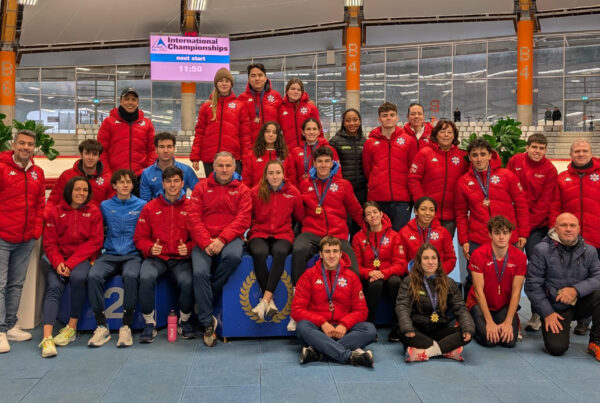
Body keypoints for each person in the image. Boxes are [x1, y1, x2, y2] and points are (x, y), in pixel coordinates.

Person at [290, 146, 363, 331]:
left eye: (326, 161)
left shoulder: (343, 185)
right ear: (314, 163)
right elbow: (299, 209)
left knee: (353, 270)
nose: (323, 165)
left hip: (337, 236)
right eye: (319, 161)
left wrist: (369, 230)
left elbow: (355, 209)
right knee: (298, 250)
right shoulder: (304, 184)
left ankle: (350, 316)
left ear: (333, 163)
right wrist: (306, 222)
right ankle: (296, 303)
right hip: (312, 233)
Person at [188, 151, 252, 347]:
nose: (224, 170)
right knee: (199, 273)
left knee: (233, 257)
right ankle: (208, 323)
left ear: (234, 168)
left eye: (228, 166)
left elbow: (243, 219)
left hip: (230, 238)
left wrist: (222, 239)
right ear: (213, 167)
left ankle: (206, 297)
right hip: (203, 239)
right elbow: (193, 218)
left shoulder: (242, 190)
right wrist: (206, 241)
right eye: (220, 166)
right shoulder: (200, 188)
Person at [38, 177, 103, 357]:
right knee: (54, 286)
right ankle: (47, 337)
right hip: (58, 260)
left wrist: (70, 263)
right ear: (69, 191)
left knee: (78, 278)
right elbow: (50, 244)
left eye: (84, 190)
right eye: (77, 189)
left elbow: (95, 242)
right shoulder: (56, 212)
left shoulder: (94, 212)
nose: (81, 193)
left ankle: (71, 328)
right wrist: (59, 262)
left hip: (81, 260)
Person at [455, 138, 529, 297]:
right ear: (469, 157)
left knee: (508, 277)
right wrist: (464, 240)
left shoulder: (507, 175)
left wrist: (522, 233)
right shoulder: (464, 181)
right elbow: (460, 213)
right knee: (473, 279)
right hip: (478, 238)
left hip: (506, 237)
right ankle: (469, 314)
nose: (479, 158)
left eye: (483, 154)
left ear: (490, 155)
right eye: (474, 155)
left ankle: (509, 313)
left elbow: (521, 205)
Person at [291, 236, 376, 367]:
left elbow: (362, 310)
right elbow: (296, 310)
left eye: (335, 251)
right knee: (302, 327)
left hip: (344, 330)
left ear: (341, 254)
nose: (331, 255)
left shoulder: (352, 277)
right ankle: (349, 356)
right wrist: (322, 322)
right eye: (327, 251)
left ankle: (318, 351)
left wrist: (344, 324)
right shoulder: (309, 275)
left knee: (370, 329)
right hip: (319, 329)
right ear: (320, 254)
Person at [525, 213, 600, 360]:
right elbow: (532, 286)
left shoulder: (590, 251)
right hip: (555, 308)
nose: (568, 229)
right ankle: (548, 320)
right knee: (557, 348)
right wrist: (547, 313)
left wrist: (576, 290)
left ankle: (596, 342)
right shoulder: (541, 250)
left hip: (580, 303)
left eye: (572, 226)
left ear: (578, 229)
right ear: (555, 228)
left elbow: (598, 277)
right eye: (563, 225)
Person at [134, 166, 196, 343]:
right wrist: (150, 248)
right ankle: (149, 324)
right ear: (162, 184)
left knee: (188, 281)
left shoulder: (192, 207)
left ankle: (184, 322)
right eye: (168, 181)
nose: (172, 185)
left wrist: (189, 248)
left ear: (183, 183)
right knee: (145, 277)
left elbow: (199, 236)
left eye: (176, 181)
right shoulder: (150, 207)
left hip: (181, 260)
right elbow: (139, 237)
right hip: (157, 259)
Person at [86, 169, 146, 348]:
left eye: (128, 182)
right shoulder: (105, 205)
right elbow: (96, 230)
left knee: (130, 276)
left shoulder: (142, 205)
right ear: (114, 185)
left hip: (132, 255)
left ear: (133, 185)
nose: (125, 185)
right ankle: (101, 326)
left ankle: (126, 326)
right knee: (93, 276)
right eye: (121, 182)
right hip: (110, 255)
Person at [0, 129, 46, 353]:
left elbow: (39, 204)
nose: (26, 147)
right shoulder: (1, 167)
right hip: (2, 236)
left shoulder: (38, 172)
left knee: (16, 285)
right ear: (14, 144)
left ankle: (10, 325)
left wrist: (36, 230)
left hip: (26, 238)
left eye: (29, 144)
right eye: (22, 143)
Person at [506, 133, 557, 332]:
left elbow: (544, 204)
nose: (537, 151)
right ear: (527, 147)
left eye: (541, 148)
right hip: (513, 225)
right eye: (534, 147)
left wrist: (524, 232)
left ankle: (538, 312)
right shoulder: (514, 161)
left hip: (536, 226)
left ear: (545, 150)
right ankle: (510, 313)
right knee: (509, 269)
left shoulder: (550, 170)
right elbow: (506, 191)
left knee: (538, 271)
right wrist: (515, 228)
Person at [549, 139, 600, 335]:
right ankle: (572, 315)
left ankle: (590, 324)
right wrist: (555, 234)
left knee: (595, 281)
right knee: (570, 278)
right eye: (577, 151)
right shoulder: (562, 178)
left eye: (584, 151)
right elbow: (555, 206)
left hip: (596, 237)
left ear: (591, 152)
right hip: (570, 240)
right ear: (571, 154)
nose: (580, 154)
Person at [396, 243, 474, 362]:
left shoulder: (449, 283)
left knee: (467, 332)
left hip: (440, 329)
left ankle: (426, 352)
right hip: (418, 330)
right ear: (419, 261)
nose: (430, 262)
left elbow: (460, 308)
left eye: (433, 258)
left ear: (438, 261)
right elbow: (402, 306)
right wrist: (407, 328)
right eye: (426, 258)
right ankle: (446, 349)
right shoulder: (408, 282)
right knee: (403, 332)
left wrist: (468, 329)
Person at [248, 160, 304, 319]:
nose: (274, 176)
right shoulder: (256, 192)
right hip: (259, 232)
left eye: (278, 173)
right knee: (259, 253)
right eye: (271, 173)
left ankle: (264, 301)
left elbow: (301, 216)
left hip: (283, 233)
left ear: (283, 174)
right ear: (265, 175)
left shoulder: (293, 192)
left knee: (280, 252)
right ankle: (270, 301)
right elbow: (247, 215)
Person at [466, 216, 527, 348]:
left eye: (505, 233)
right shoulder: (478, 254)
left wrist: (508, 322)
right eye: (497, 233)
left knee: (509, 342)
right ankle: (471, 324)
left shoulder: (520, 257)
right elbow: (478, 291)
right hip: (479, 303)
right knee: (490, 341)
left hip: (503, 304)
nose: (501, 237)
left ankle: (503, 323)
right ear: (490, 234)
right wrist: (489, 322)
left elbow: (516, 293)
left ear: (511, 235)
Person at [352, 201, 406, 339]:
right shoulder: (358, 238)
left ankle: (398, 326)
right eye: (368, 214)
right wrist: (368, 272)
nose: (372, 216)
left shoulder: (394, 235)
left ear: (381, 214)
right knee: (375, 284)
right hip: (370, 277)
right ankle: (369, 327)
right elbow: (355, 266)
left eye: (375, 212)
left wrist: (383, 273)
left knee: (395, 281)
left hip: (388, 274)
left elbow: (401, 264)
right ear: (364, 218)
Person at [407, 119, 468, 236]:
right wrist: (422, 203)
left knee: (445, 248)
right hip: (427, 214)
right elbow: (413, 179)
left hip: (451, 215)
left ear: (454, 135)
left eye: (450, 132)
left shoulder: (462, 156)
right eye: (442, 131)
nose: (446, 135)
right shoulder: (424, 153)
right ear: (435, 134)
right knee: (425, 249)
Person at [363, 102, 417, 231]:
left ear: (397, 118)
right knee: (379, 238)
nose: (388, 118)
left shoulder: (408, 141)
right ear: (379, 118)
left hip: (402, 199)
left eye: (392, 115)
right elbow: (367, 168)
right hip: (378, 199)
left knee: (400, 238)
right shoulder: (370, 143)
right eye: (385, 115)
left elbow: (412, 168)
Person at [190, 68, 250, 176]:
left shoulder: (239, 106)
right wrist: (195, 156)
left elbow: (244, 135)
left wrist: (246, 158)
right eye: (221, 81)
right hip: (210, 158)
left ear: (231, 84)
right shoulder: (206, 106)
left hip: (232, 159)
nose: (224, 84)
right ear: (216, 83)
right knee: (213, 190)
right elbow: (199, 132)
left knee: (232, 190)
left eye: (227, 81)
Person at [97, 87, 156, 182]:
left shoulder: (147, 124)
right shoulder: (108, 122)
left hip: (140, 177)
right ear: (120, 101)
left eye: (133, 99)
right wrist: (108, 173)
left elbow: (153, 151)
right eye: (126, 99)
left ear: (137, 103)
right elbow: (101, 150)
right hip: (116, 177)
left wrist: (147, 172)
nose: (130, 102)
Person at [45, 139, 112, 217]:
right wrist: (46, 218)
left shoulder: (108, 178)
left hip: (97, 223)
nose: (90, 157)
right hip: (70, 222)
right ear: (81, 154)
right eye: (87, 153)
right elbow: (53, 200)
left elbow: (112, 206)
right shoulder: (67, 175)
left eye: (94, 154)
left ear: (99, 157)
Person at [329, 108, 367, 234]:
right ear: (343, 123)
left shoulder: (365, 141)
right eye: (348, 121)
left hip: (361, 190)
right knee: (344, 224)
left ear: (360, 121)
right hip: (343, 191)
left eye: (355, 120)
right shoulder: (335, 142)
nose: (352, 123)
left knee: (359, 225)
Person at [399, 197, 456, 274]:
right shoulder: (404, 232)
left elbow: (451, 259)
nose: (428, 213)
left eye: (431, 210)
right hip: (412, 276)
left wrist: (437, 273)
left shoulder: (443, 232)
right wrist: (414, 272)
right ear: (416, 211)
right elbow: (400, 260)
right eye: (423, 209)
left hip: (437, 276)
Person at [139, 132, 198, 201]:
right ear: (155, 149)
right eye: (162, 147)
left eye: (169, 146)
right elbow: (145, 202)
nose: (165, 151)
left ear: (174, 148)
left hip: (182, 210)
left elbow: (199, 193)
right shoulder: (147, 173)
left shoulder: (186, 170)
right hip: (157, 211)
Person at [238, 63, 283, 144]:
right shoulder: (241, 99)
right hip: (251, 147)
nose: (257, 78)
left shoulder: (276, 96)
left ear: (265, 78)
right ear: (248, 79)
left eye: (260, 75)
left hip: (272, 146)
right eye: (253, 76)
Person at [242, 121, 296, 188]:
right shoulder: (252, 156)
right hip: (258, 195)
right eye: (267, 131)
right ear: (262, 134)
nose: (271, 134)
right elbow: (246, 181)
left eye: (274, 132)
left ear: (278, 135)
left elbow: (291, 181)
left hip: (280, 195)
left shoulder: (286, 156)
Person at [290, 118, 340, 184]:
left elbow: (337, 173)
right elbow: (292, 176)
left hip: (324, 189)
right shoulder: (295, 152)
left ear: (319, 131)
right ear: (303, 132)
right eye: (308, 129)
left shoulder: (330, 149)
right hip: (303, 189)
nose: (311, 132)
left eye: (314, 129)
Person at [278, 78, 322, 150]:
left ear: (302, 92)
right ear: (287, 91)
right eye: (293, 89)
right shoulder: (280, 108)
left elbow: (319, 130)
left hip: (308, 150)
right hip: (288, 150)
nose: (296, 92)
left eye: (299, 90)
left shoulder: (310, 107)